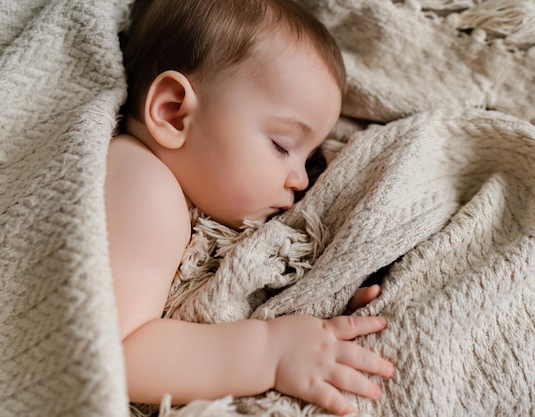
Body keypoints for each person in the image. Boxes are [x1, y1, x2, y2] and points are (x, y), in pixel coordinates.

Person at [105, 0, 394, 415]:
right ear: (173, 114)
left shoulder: (193, 194)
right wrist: (271, 353)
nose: (301, 179)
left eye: (307, 157)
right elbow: (117, 351)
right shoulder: (142, 184)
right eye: (282, 146)